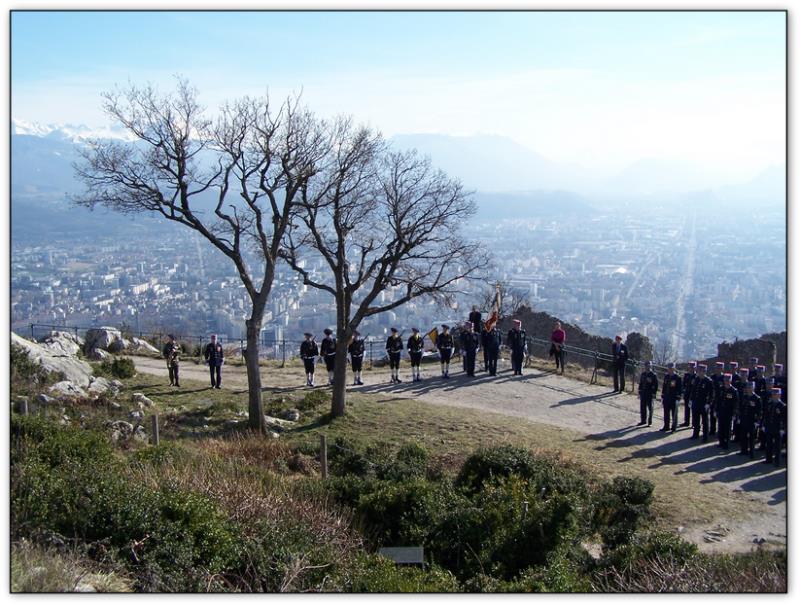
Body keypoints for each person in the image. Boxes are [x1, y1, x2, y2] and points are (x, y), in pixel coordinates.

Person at [690, 364, 714, 442]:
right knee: (696, 419)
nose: (700, 372)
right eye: (699, 371)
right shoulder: (696, 379)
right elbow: (693, 390)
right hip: (696, 402)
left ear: (705, 371)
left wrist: (708, 403)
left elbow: (711, 394)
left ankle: (705, 437)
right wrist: (691, 399)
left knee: (705, 421)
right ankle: (695, 434)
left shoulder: (708, 381)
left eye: (702, 371)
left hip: (704, 403)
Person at [763, 387, 786, 466]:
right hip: (770, 426)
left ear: (779, 395)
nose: (774, 396)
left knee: (777, 446)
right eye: (773, 394)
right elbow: (766, 415)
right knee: (768, 444)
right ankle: (768, 459)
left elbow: (784, 418)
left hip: (778, 428)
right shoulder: (769, 403)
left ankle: (777, 461)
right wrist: (764, 425)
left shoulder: (782, 406)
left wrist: (783, 429)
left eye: (776, 394)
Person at [738, 381, 761, 458]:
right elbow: (741, 408)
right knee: (743, 435)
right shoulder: (744, 397)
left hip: (752, 420)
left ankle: (752, 453)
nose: (749, 389)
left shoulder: (757, 398)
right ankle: (743, 451)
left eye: (750, 387)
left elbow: (759, 411)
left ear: (753, 388)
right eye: (748, 387)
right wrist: (739, 417)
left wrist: (757, 421)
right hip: (744, 419)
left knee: (752, 437)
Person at [717, 373, 738, 449]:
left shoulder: (733, 391)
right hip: (721, 411)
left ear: (730, 380)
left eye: (728, 380)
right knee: (721, 427)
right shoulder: (721, 389)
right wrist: (716, 409)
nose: (726, 381)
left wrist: (734, 414)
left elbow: (736, 403)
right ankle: (721, 442)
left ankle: (727, 443)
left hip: (729, 412)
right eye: (725, 380)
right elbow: (718, 400)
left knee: (727, 428)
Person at [661, 362, 682, 432]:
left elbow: (680, 389)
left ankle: (674, 427)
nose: (669, 369)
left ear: (674, 369)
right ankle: (666, 426)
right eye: (669, 368)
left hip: (674, 398)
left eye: (671, 368)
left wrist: (678, 398)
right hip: (667, 397)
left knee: (674, 414)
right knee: (666, 413)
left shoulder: (677, 377)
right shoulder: (666, 376)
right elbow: (664, 386)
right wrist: (662, 395)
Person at [638, 360, 658, 427]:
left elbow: (656, 385)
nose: (647, 367)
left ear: (651, 366)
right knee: (642, 407)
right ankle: (643, 420)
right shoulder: (643, 374)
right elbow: (640, 383)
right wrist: (639, 391)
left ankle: (650, 421)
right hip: (643, 392)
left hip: (650, 393)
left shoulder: (653, 375)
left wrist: (654, 393)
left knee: (650, 408)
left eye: (649, 365)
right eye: (646, 365)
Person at [709, 361, 725, 436]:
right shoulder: (712, 377)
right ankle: (712, 429)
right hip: (713, 398)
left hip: (721, 399)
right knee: (712, 414)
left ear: (722, 369)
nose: (718, 369)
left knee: (720, 416)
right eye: (717, 368)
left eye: (720, 368)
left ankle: (720, 431)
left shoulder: (724, 378)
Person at [681, 361, 697, 427]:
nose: (691, 368)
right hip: (687, 394)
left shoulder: (696, 376)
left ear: (695, 368)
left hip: (693, 395)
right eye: (690, 367)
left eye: (692, 367)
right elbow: (683, 384)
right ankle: (686, 422)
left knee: (693, 409)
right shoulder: (686, 375)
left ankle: (694, 423)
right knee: (687, 408)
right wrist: (683, 391)